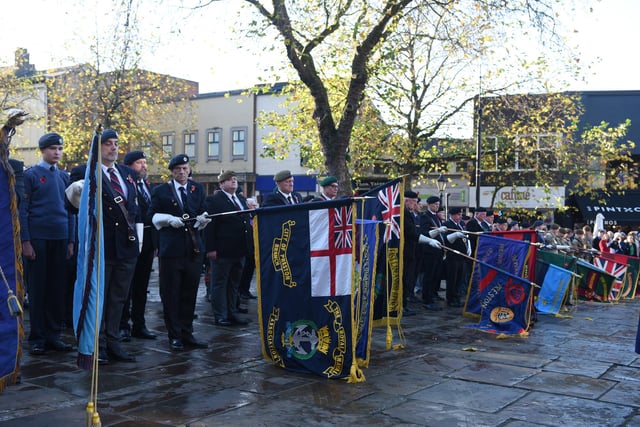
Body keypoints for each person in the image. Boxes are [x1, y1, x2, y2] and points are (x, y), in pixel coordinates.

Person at [69, 129, 140, 363]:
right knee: (97, 298)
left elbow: (135, 208)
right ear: (97, 147)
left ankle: (114, 343)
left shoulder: (127, 173)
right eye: (107, 143)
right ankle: (94, 346)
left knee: (119, 297)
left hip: (126, 247)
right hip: (102, 247)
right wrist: (75, 193)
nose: (113, 147)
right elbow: (71, 206)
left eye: (116, 143)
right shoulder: (85, 171)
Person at [20, 132, 75, 355]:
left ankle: (54, 335)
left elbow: (72, 210)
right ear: (42, 150)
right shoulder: (31, 175)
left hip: (60, 237)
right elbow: (23, 211)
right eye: (53, 148)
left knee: (56, 288)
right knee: (38, 288)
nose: (57, 153)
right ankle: (37, 336)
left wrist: (71, 240)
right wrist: (26, 241)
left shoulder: (64, 177)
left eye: (60, 149)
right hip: (39, 238)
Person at [149, 154, 210, 351]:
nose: (182, 172)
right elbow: (151, 216)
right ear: (172, 171)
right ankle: (174, 335)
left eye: (185, 168)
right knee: (171, 293)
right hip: (171, 249)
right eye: (177, 169)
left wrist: (203, 219)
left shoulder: (197, 188)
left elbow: (203, 210)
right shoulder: (161, 191)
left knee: (189, 292)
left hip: (193, 248)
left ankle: (187, 332)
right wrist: (167, 219)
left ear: (189, 169)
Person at [205, 170, 252, 326]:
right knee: (219, 284)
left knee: (234, 284)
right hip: (222, 250)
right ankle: (220, 315)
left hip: (239, 250)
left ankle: (232, 313)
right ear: (221, 183)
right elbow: (210, 226)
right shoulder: (214, 200)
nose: (233, 181)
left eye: (234, 179)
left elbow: (245, 222)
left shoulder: (240, 199)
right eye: (229, 179)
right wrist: (210, 248)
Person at [119, 150, 157, 341]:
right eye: (139, 163)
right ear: (129, 166)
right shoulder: (126, 185)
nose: (143, 166)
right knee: (126, 286)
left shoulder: (146, 186)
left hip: (148, 243)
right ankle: (123, 325)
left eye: (144, 162)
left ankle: (139, 324)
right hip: (131, 241)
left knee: (141, 286)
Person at [403, 191, 441, 316]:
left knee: (408, 280)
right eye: (414, 201)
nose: (415, 204)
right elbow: (412, 233)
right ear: (407, 200)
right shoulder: (405, 214)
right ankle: (401, 306)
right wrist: (429, 240)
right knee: (405, 280)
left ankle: (403, 304)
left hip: (412, 252)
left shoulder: (410, 214)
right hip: (407, 251)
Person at [419, 196, 448, 311]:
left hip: (438, 251)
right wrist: (437, 231)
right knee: (429, 276)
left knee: (436, 275)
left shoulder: (436, 217)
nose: (437, 206)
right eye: (435, 204)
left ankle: (432, 295)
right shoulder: (425, 216)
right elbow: (424, 233)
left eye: (438, 204)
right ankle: (427, 299)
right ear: (429, 204)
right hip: (429, 251)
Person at [443, 207, 470, 308]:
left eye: (460, 215)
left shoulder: (460, 225)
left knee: (459, 279)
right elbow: (447, 240)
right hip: (452, 257)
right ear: (452, 215)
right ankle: (451, 299)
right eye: (458, 215)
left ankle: (457, 298)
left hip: (461, 257)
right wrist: (455, 235)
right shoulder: (447, 224)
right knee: (452, 279)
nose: (460, 217)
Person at [238, 197, 258, 301]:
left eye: (255, 205)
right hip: (246, 248)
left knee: (250, 272)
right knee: (243, 272)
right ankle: (240, 291)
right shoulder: (245, 215)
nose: (255, 207)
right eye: (252, 205)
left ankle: (246, 290)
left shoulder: (256, 216)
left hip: (253, 249)